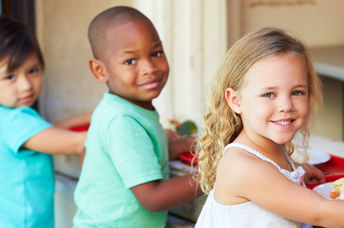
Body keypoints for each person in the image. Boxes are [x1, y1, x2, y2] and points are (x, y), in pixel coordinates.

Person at [195, 27, 344, 228]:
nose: (286, 106)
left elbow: (273, 181)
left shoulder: (269, 149)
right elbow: (321, 213)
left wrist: (298, 172)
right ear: (235, 100)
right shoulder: (242, 167)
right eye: (269, 94)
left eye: (297, 92)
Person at [73, 6, 202, 228]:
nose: (149, 68)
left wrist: (182, 145)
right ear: (100, 71)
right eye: (130, 61)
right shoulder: (122, 121)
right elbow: (153, 198)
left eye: (156, 53)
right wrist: (216, 175)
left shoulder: (119, 108)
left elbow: (141, 155)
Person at [0, 16, 91, 228]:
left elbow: (46, 131)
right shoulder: (15, 121)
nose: (26, 86)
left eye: (32, 71)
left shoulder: (9, 116)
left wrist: (87, 117)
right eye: (10, 77)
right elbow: (79, 143)